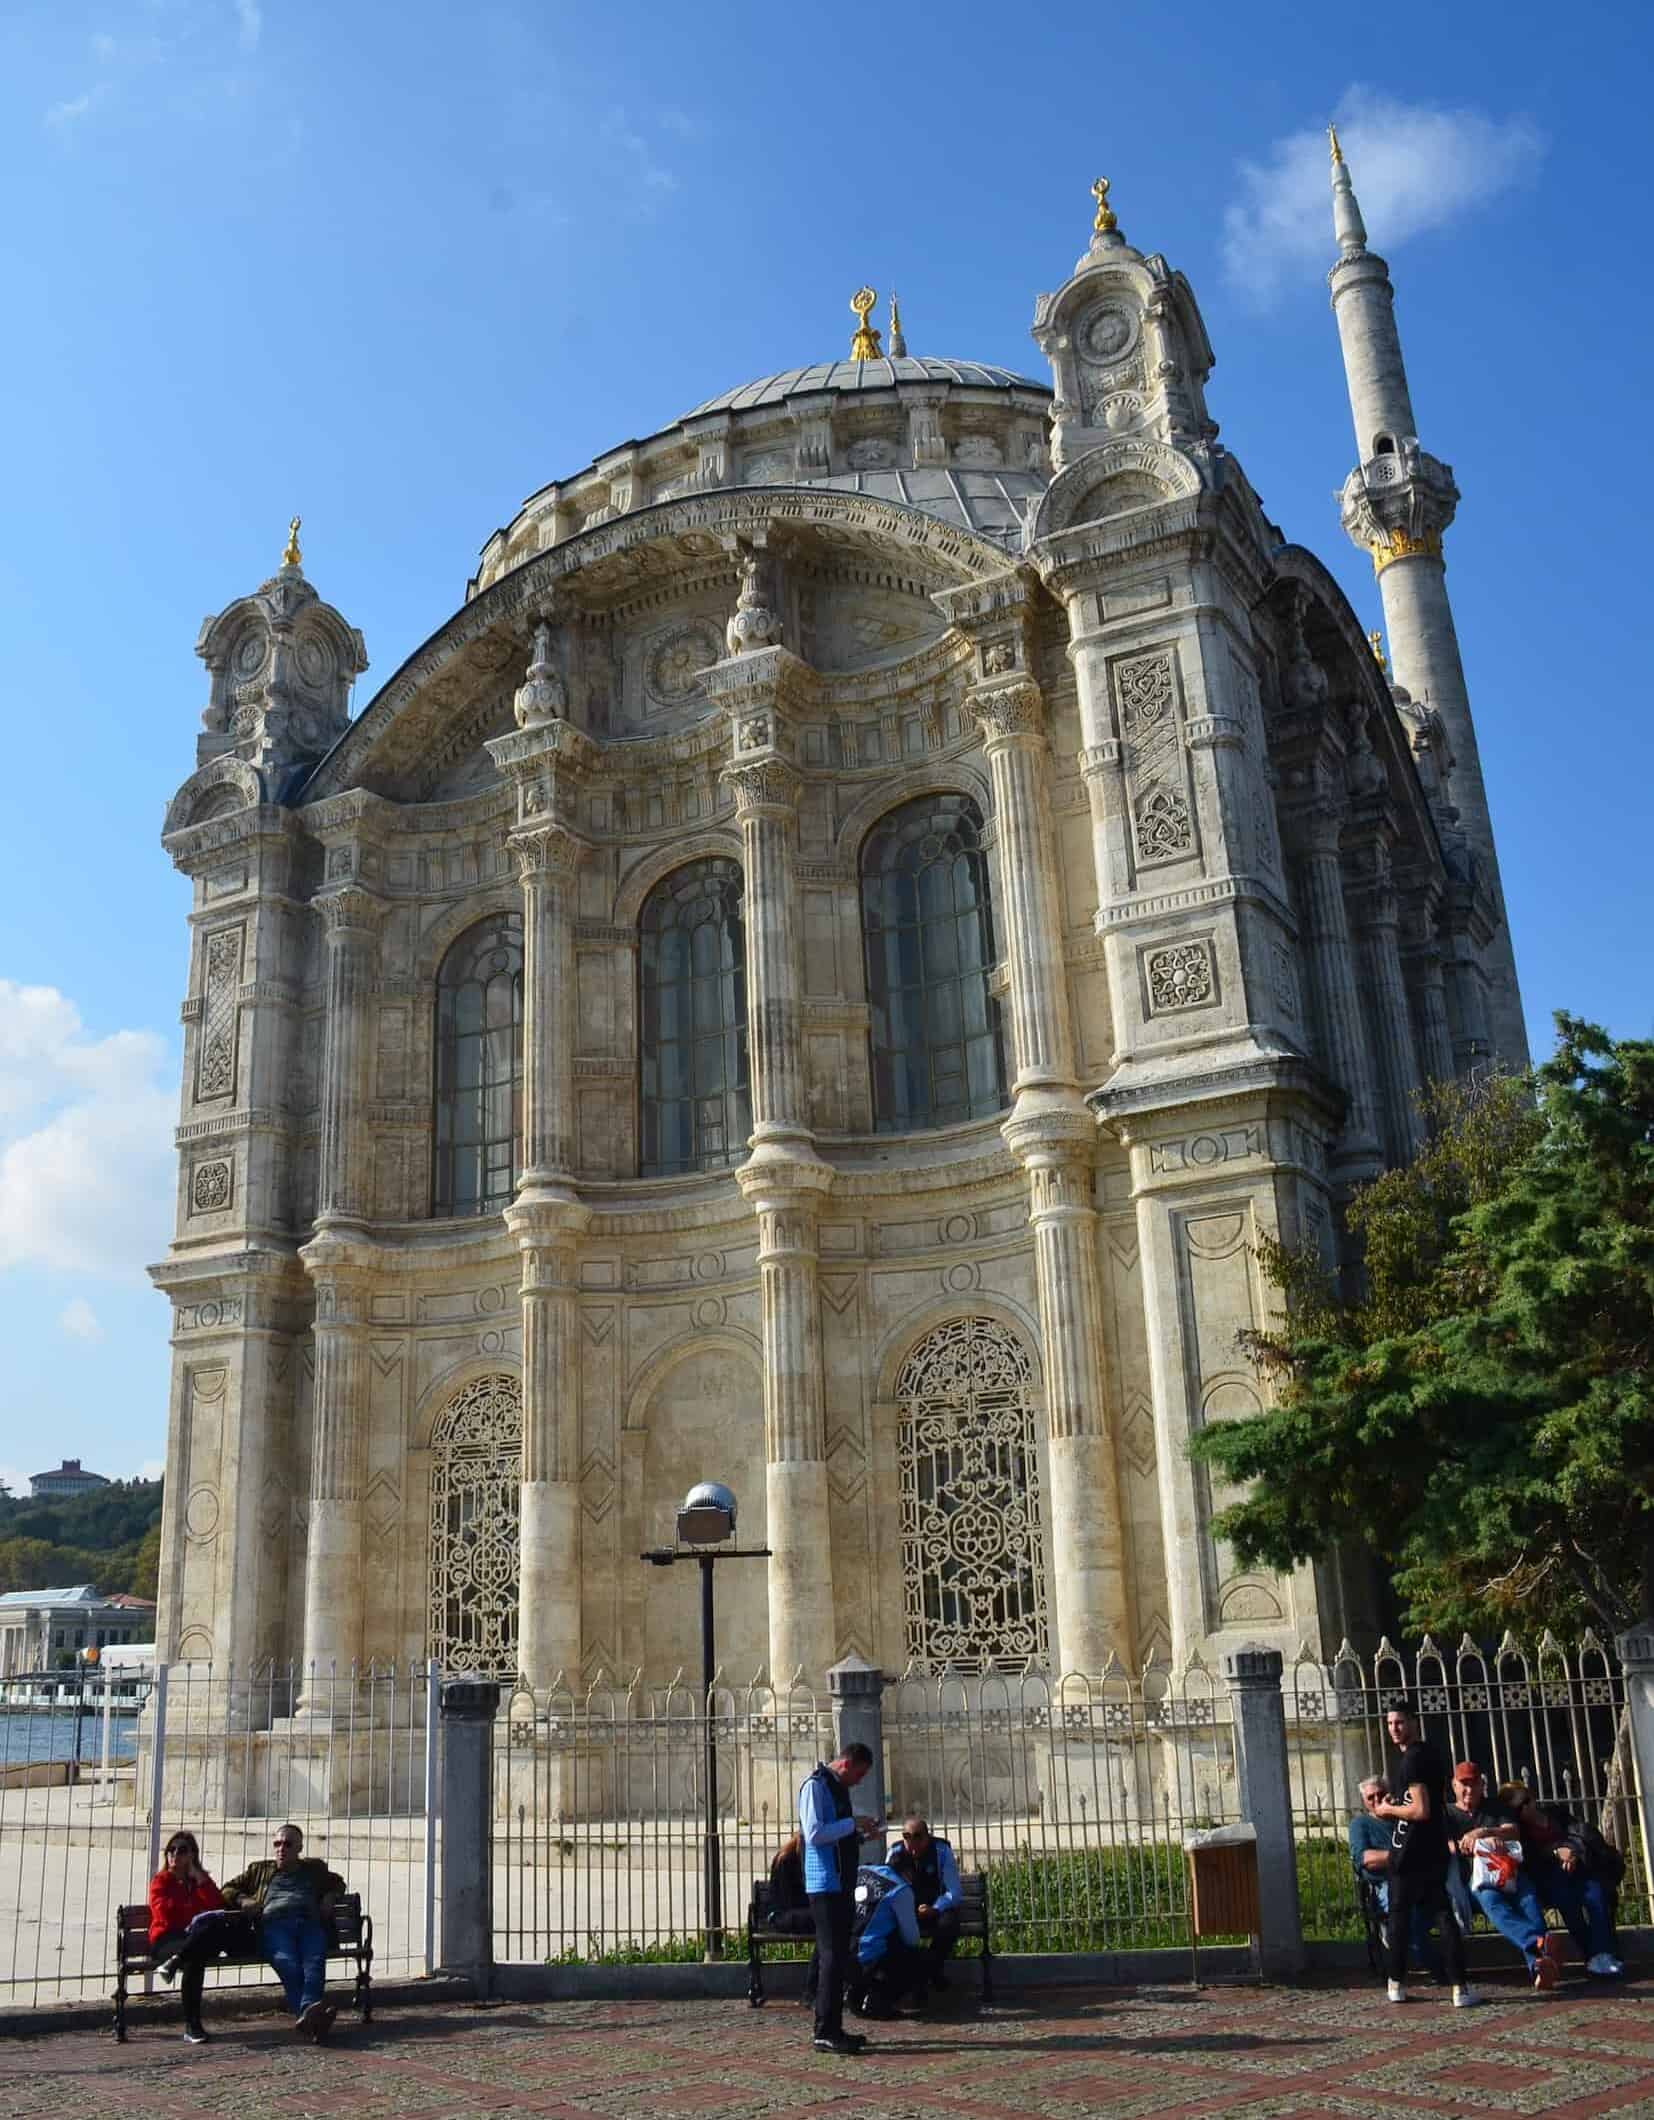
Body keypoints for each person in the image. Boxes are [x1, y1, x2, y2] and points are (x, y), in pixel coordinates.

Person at [1372, 1699, 1480, 2007]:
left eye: (1400, 1722)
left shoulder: (1413, 1760)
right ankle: (1460, 1986)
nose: (1394, 1729)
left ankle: (1396, 1983)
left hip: (1410, 1849)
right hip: (1432, 1846)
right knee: (1440, 1913)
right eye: (1390, 1723)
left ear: (1414, 1721)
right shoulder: (1430, 1754)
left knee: (1402, 1917)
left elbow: (1420, 1809)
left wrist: (1388, 1808)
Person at [221, 1822, 347, 2038]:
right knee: (286, 1962)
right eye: (277, 1844)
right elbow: (227, 1889)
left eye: (287, 1844)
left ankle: (308, 2016)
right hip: (274, 1927)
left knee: (314, 1963)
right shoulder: (258, 1870)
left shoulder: (314, 1869)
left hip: (309, 1924)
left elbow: (338, 1883)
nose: (281, 1849)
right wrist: (243, 1900)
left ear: (299, 1848)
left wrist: (329, 1896)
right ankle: (312, 2015)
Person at [1444, 1763, 1562, 1990]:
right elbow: (1446, 1845)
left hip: (1510, 1871)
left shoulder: (1495, 1807)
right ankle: (1537, 1946)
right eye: (1463, 1784)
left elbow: (1513, 1831)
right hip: (1478, 1879)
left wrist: (1485, 1833)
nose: (1469, 1790)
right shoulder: (1448, 1814)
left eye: (1474, 1784)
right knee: (1492, 1903)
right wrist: (1468, 1845)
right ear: (1454, 1785)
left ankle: (1539, 1965)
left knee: (1529, 1903)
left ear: (1482, 1785)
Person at [798, 1742, 879, 2055]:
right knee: (831, 1958)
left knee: (836, 1955)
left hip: (841, 1882)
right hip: (824, 1884)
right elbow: (815, 1832)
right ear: (847, 1764)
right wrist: (853, 1823)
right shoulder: (815, 1787)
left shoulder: (837, 1789)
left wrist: (860, 1835)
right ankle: (824, 2031)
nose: (859, 1782)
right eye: (858, 1774)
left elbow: (836, 1837)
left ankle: (834, 2026)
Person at [1500, 1780, 1625, 1978]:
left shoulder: (1557, 1814)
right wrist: (1556, 1852)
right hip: (1550, 1877)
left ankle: (1603, 1953)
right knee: (1568, 1902)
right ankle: (1592, 1955)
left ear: (1532, 1797)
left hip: (1580, 1868)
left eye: (1526, 1802)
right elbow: (1530, 1859)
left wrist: (1571, 1852)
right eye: (1517, 1809)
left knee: (1597, 1896)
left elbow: (1581, 1834)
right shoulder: (1522, 1833)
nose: (1525, 1810)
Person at [1348, 1777, 1443, 1981]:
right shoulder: (1360, 1824)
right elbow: (1366, 1859)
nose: (1376, 1800)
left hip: (1418, 1879)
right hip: (1383, 1883)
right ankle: (1428, 1963)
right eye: (1370, 1797)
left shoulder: (1403, 1818)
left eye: (1381, 1794)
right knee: (1406, 1909)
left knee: (1437, 1905)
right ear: (1364, 1801)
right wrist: (1403, 1856)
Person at [147, 1830, 226, 2044]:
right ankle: (193, 2026)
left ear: (192, 1855)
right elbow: (165, 1914)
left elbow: (217, 1905)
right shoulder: (160, 1881)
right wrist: (195, 1912)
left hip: (193, 1938)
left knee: (207, 1932)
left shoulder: (198, 1881)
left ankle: (176, 1962)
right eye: (170, 1850)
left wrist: (199, 1876)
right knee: (195, 1958)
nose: (174, 1855)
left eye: (181, 1850)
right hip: (167, 1939)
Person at [847, 1853, 925, 2017]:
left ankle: (856, 1993)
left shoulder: (862, 1871)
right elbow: (912, 1938)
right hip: (868, 1957)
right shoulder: (900, 1888)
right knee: (915, 1958)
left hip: (843, 1952)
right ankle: (879, 2001)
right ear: (909, 1873)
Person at [895, 1816, 963, 1991]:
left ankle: (925, 1973)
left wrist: (935, 1908)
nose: (912, 1842)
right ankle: (922, 1975)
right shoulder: (895, 1853)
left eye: (917, 1836)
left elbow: (954, 1892)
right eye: (906, 1836)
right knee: (889, 1928)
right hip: (906, 1910)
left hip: (935, 1908)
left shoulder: (941, 1851)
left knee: (949, 1926)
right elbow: (888, 1887)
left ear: (927, 1836)